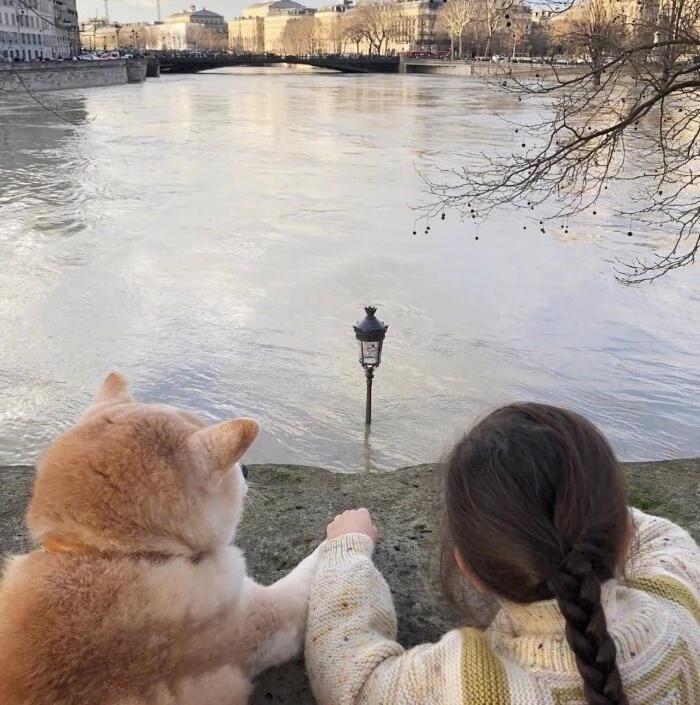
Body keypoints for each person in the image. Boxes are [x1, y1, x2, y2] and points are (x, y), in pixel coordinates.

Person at [305, 403, 699, 705]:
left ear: (468, 569)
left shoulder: (471, 683)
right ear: (623, 534)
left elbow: (349, 682)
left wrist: (346, 550)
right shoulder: (681, 615)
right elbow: (662, 537)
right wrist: (584, 513)